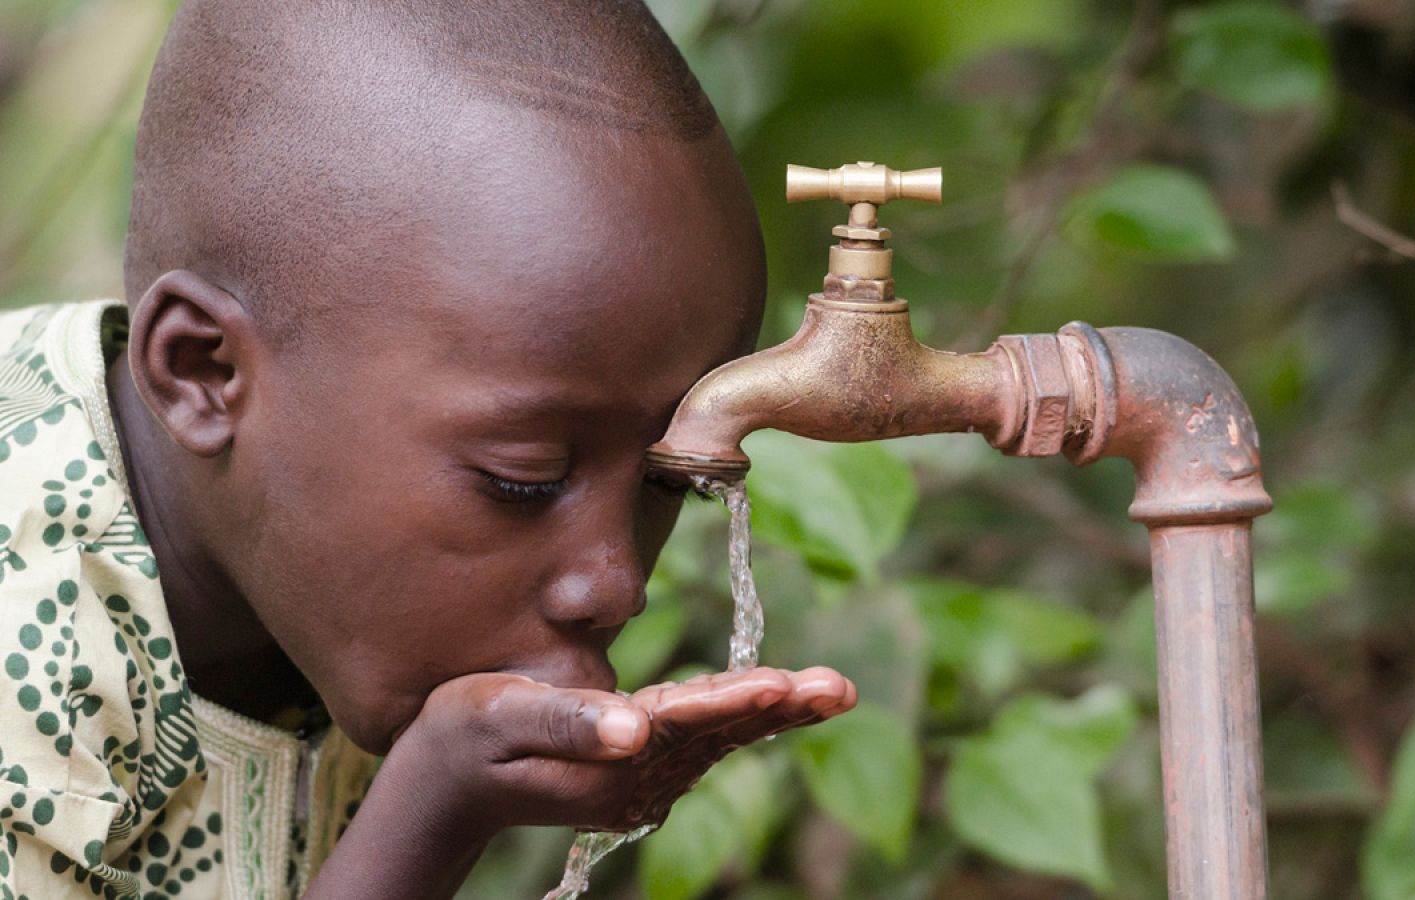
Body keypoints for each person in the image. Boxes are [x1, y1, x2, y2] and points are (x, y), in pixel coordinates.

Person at [0, 0, 857, 897]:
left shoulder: (307, 567)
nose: (615, 583)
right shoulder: (28, 626)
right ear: (203, 372)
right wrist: (430, 815)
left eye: (663, 480)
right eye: (523, 480)